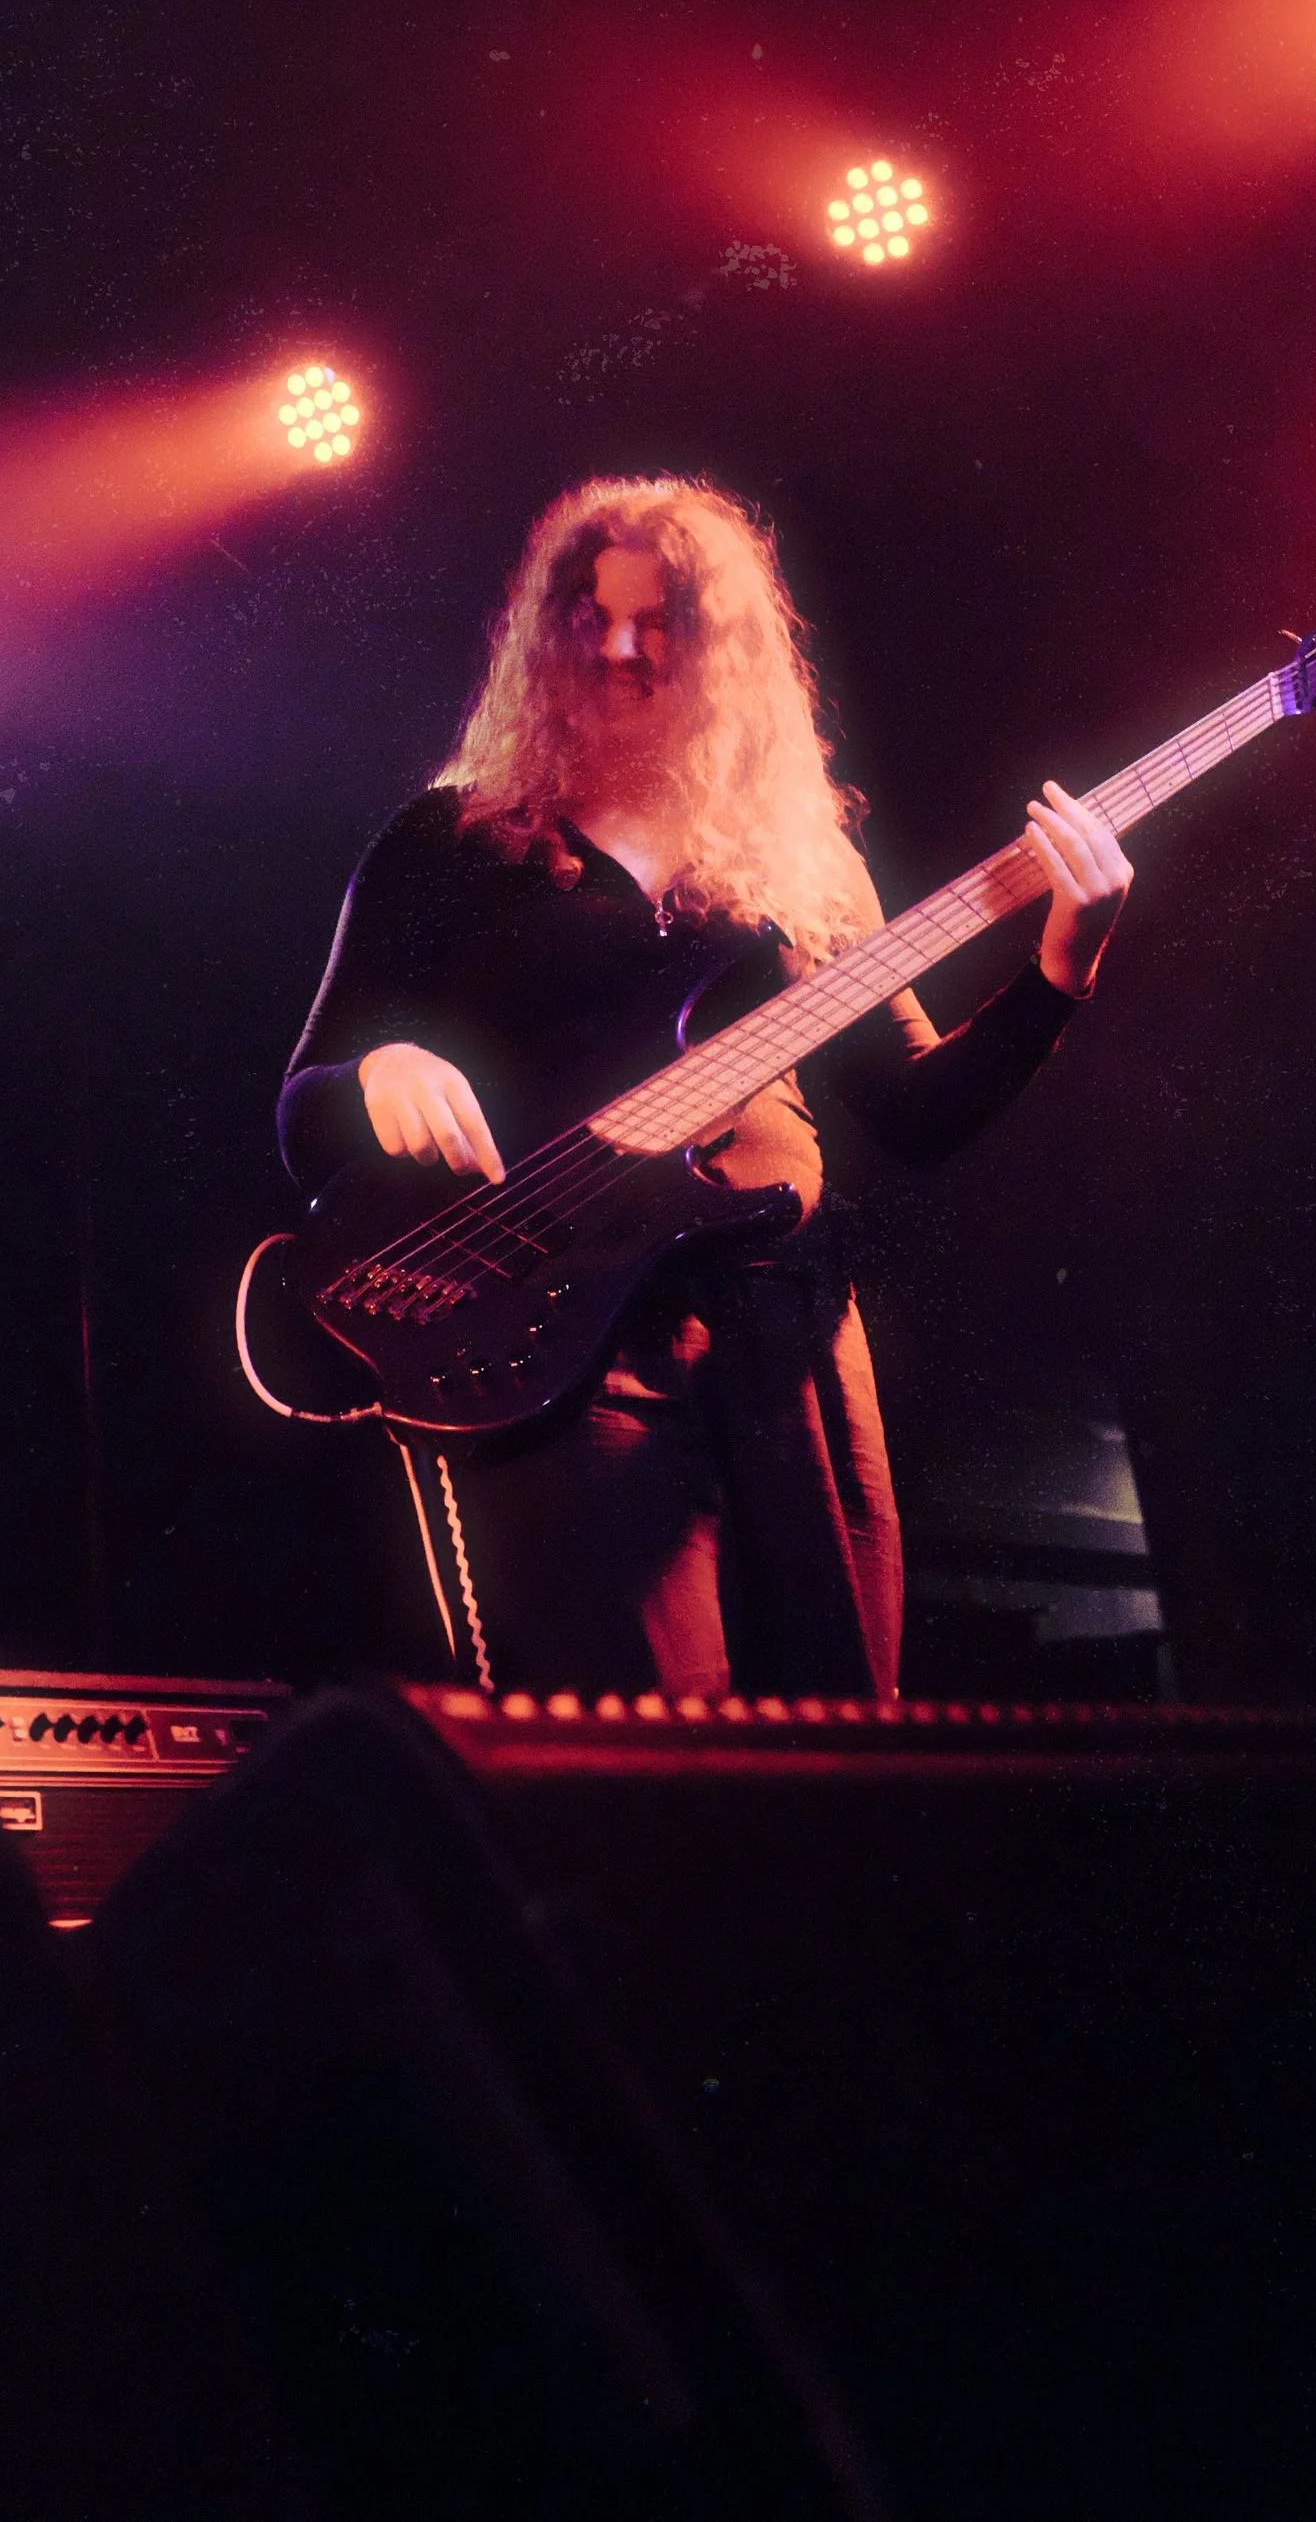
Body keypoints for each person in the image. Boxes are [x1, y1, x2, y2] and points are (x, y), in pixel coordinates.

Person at [276, 475, 1131, 1700]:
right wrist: (378, 1072)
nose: (619, 646)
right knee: (652, 1723)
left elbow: (916, 1111)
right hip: (574, 1338)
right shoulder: (450, 839)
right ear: (544, 630)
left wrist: (1062, 968)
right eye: (588, 613)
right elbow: (302, 1109)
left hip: (786, 1321)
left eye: (657, 617)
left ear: (720, 644)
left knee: (846, 1723)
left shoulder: (800, 858)